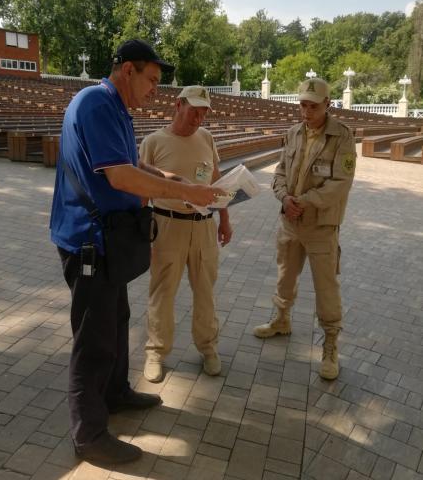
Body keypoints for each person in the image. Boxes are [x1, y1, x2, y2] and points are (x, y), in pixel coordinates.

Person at [50, 40, 225, 466]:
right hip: (89, 239)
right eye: (151, 79)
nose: (154, 90)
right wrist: (183, 190)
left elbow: (131, 163)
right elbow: (121, 176)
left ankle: (114, 393)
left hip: (109, 239)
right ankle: (88, 435)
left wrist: (160, 174)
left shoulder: (115, 108)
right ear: (128, 70)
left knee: (117, 320)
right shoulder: (96, 102)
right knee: (93, 339)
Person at [253, 77, 356, 380]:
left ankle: (331, 344)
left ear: (328, 104)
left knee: (326, 287)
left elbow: (341, 183)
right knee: (285, 275)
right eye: (303, 105)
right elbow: (280, 172)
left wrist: (305, 201)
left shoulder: (342, 137)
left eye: (313, 106)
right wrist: (285, 198)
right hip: (290, 221)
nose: (306, 111)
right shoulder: (293, 133)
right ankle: (282, 319)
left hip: (321, 226)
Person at [139, 86, 233, 383]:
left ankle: (208, 348)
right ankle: (156, 352)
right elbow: (142, 188)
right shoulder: (154, 141)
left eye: (204, 111)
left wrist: (225, 220)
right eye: (194, 109)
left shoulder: (206, 137)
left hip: (204, 225)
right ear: (178, 105)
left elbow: (215, 179)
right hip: (167, 225)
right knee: (162, 292)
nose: (199, 117)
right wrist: (141, 230)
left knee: (205, 291)